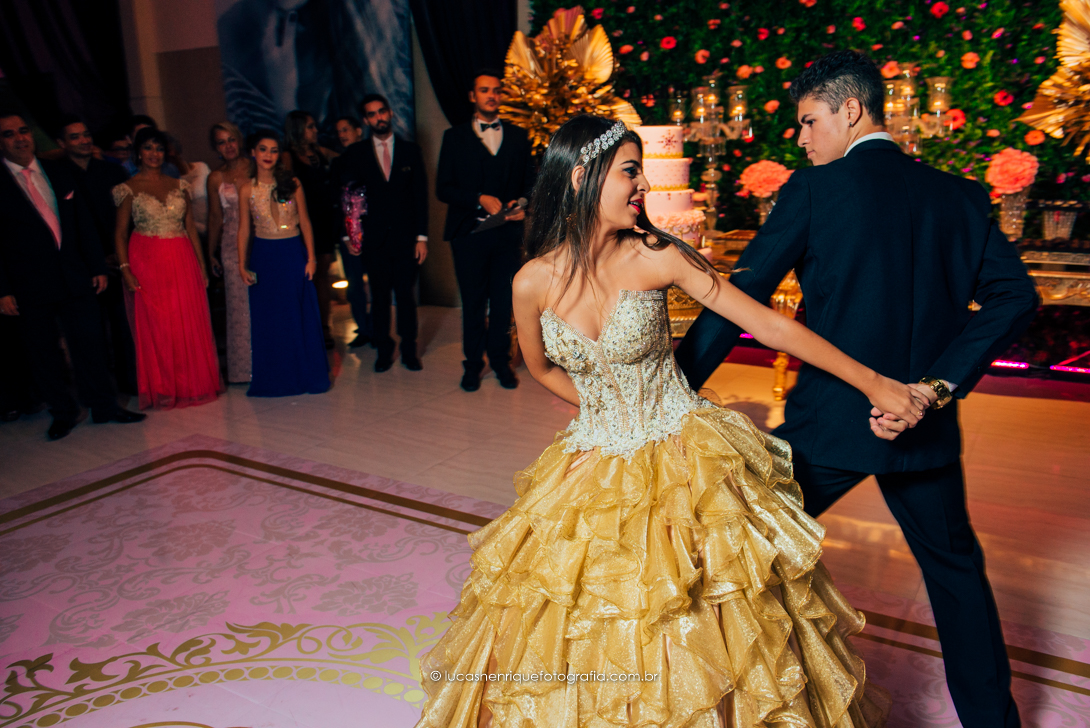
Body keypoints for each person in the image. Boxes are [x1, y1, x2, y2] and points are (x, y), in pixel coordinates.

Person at [417, 114, 924, 727]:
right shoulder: (531, 281)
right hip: (595, 457)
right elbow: (542, 367)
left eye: (643, 172)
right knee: (575, 609)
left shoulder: (657, 255)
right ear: (580, 177)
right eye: (630, 171)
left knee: (703, 618)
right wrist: (603, 411)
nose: (644, 186)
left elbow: (770, 325)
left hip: (684, 453)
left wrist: (875, 383)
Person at [675, 51, 1039, 728]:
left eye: (809, 121)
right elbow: (1015, 296)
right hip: (922, 425)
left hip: (830, 424)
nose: (802, 139)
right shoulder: (958, 195)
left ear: (851, 109)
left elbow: (741, 297)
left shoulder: (815, 192)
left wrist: (671, 387)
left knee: (737, 546)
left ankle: (713, 702)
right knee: (956, 574)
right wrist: (932, 389)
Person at [0, 112, 144, 440]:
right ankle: (62, 413)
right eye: (9, 134)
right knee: (44, 353)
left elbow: (82, 223)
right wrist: (2, 289)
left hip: (75, 275)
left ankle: (104, 406)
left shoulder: (58, 171)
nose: (20, 138)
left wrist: (97, 267)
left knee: (90, 345)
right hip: (28, 284)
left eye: (23, 131)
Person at [436, 69, 534, 391]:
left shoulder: (519, 136)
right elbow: (443, 188)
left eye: (496, 90)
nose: (491, 95)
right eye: (484, 90)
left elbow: (531, 184)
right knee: (474, 303)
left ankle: (500, 362)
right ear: (472, 96)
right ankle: (473, 365)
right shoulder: (454, 137)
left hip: (507, 235)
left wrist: (522, 204)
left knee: (503, 302)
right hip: (468, 236)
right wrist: (478, 198)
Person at [113, 127, 223, 410]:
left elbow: (189, 227)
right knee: (158, 324)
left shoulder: (179, 186)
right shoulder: (128, 188)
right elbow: (120, 234)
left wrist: (201, 266)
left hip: (181, 256)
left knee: (186, 321)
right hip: (147, 259)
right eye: (148, 148)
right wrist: (125, 269)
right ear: (138, 152)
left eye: (159, 148)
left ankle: (192, 384)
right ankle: (164, 387)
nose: (154, 154)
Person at [331, 94, 427, 371]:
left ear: (390, 113)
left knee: (406, 297)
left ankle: (409, 350)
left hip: (406, 239)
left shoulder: (410, 150)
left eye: (382, 111)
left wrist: (422, 237)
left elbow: (420, 196)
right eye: (372, 114)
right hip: (373, 240)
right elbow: (347, 197)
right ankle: (384, 350)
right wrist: (349, 235)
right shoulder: (356, 153)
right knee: (380, 297)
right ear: (366, 120)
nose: (378, 117)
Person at [237, 129, 329, 397]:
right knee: (270, 318)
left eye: (274, 150)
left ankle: (305, 375)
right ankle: (276, 378)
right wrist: (242, 264)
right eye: (263, 149)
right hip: (264, 256)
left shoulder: (293, 183)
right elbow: (244, 230)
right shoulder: (247, 189)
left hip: (292, 253)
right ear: (253, 153)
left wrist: (311, 258)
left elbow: (306, 222)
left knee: (298, 314)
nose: (268, 155)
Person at [54, 113, 137, 395]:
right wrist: (95, 260)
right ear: (62, 143)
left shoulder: (113, 173)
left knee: (124, 326)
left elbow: (127, 219)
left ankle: (129, 384)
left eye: (86, 134)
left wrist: (119, 255)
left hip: (118, 259)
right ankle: (99, 392)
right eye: (75, 137)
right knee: (89, 334)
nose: (84, 140)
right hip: (81, 266)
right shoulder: (57, 175)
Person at [283, 110, 338, 348]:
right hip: (303, 221)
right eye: (310, 126)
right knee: (304, 274)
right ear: (297, 129)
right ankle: (305, 327)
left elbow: (346, 158)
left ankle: (324, 327)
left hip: (324, 220)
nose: (315, 130)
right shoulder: (288, 156)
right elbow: (285, 189)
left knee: (323, 273)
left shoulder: (320, 152)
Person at [207, 121, 253, 384]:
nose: (228, 146)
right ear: (216, 148)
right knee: (238, 307)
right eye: (222, 142)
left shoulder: (255, 166)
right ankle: (244, 369)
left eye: (231, 139)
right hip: (231, 244)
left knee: (266, 301)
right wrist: (210, 253)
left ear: (239, 140)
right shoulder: (215, 177)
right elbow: (215, 217)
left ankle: (273, 362)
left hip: (260, 238)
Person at [167, 134, 211, 235]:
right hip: (193, 231)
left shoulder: (201, 168)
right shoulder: (171, 181)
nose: (172, 155)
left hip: (214, 226)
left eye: (172, 151)